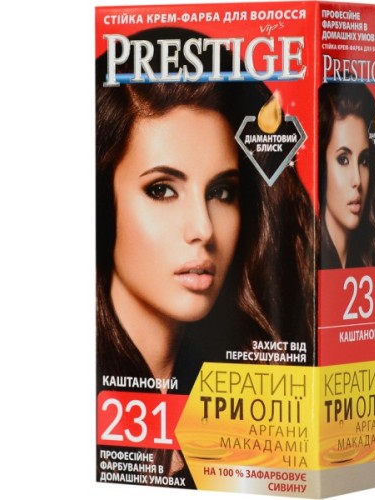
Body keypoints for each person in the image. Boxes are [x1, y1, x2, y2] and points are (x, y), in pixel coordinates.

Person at [96, 28, 315, 481]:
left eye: (221, 192)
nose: (203, 229)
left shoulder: (244, 394)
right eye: (161, 190)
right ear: (100, 202)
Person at [318, 81, 375, 269]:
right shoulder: (305, 263)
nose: (357, 180)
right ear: (320, 166)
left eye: (364, 161)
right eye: (343, 159)